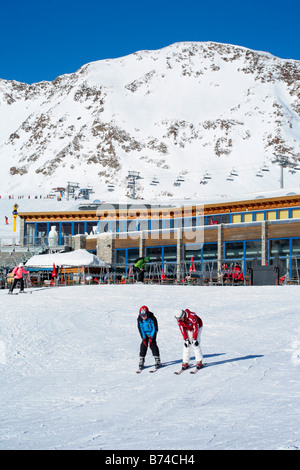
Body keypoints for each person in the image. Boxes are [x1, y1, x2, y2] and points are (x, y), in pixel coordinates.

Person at [137, 305, 161, 370]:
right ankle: (142, 360)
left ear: (147, 314)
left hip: (152, 333)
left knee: (152, 344)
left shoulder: (152, 318)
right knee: (143, 345)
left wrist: (152, 337)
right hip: (145, 333)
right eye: (141, 315)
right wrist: (144, 338)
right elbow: (141, 328)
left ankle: (157, 360)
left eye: (144, 315)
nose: (143, 317)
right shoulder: (140, 319)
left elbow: (155, 328)